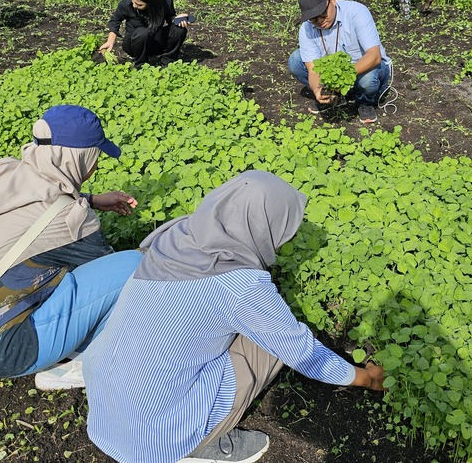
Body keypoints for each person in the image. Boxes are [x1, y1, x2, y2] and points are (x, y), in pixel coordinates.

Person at [83, 170, 387, 463]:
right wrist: (366, 378)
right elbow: (302, 352)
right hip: (152, 438)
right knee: (268, 344)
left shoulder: (175, 236)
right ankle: (196, 446)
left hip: (102, 403)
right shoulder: (241, 287)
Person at [0, 105, 142, 390]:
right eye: (96, 156)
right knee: (132, 270)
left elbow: (32, 207)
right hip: (3, 353)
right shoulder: (74, 221)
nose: (96, 165)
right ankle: (79, 363)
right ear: (80, 158)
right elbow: (110, 277)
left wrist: (91, 199)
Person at [288, 0, 393, 124]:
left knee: (367, 79)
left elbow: (374, 56)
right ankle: (332, 97)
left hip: (366, 68)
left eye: (322, 14)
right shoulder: (306, 28)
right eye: (313, 18)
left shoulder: (357, 12)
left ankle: (364, 102)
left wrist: (344, 77)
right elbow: (313, 70)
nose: (320, 21)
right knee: (295, 59)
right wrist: (317, 89)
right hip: (337, 74)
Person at [99, 0, 192, 68]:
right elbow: (115, 20)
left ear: (151, 2)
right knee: (142, 32)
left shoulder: (165, 1)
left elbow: (170, 18)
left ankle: (168, 60)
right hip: (134, 44)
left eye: (139, 4)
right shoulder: (126, 4)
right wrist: (110, 41)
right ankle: (141, 64)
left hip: (155, 40)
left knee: (179, 30)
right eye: (133, 1)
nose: (134, 5)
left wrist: (177, 19)